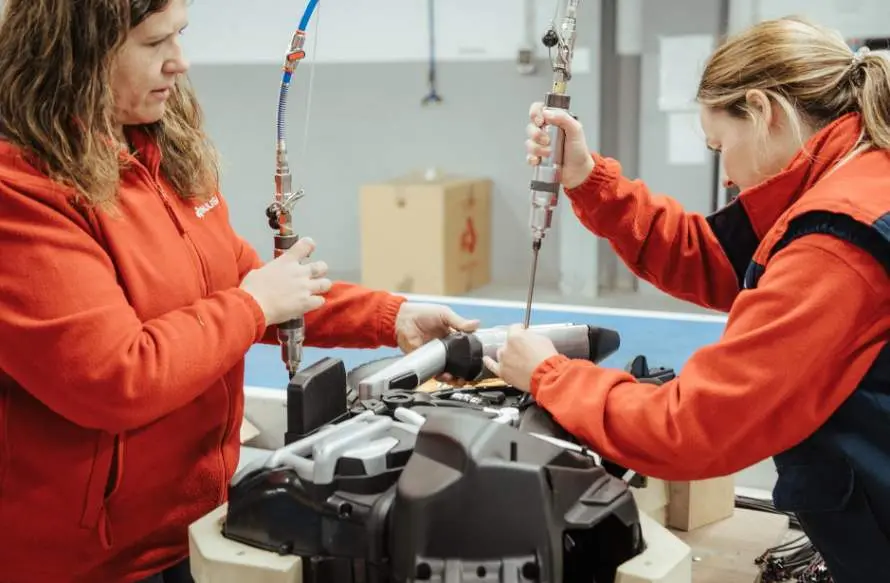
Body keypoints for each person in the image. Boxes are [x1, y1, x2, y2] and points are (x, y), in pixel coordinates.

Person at [0, 1, 479, 582]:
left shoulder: (158, 152)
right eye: (155, 45)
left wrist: (391, 316)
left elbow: (245, 283)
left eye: (181, 36)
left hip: (197, 524)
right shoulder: (22, 194)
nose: (180, 62)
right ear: (76, 54)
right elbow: (115, 375)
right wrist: (252, 306)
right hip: (90, 562)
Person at [489, 16, 890, 582]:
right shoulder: (853, 173)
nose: (726, 173)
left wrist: (549, 375)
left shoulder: (836, 241)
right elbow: (717, 259)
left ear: (764, 109)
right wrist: (586, 177)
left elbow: (691, 427)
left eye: (719, 144)